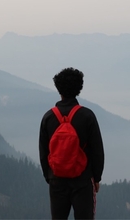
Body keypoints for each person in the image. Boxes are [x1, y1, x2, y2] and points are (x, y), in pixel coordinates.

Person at [39, 67, 105, 219]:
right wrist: (97, 178)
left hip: (57, 179)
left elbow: (44, 151)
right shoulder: (87, 116)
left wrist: (49, 176)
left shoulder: (48, 117)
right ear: (79, 89)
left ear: (58, 88)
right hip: (82, 180)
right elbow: (97, 150)